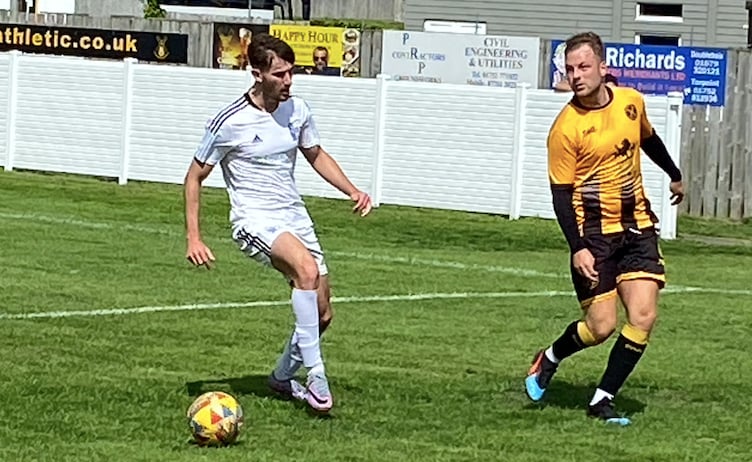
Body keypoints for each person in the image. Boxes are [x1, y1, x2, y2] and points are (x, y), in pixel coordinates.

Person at [183, 33, 373, 414]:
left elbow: (315, 154)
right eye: (280, 75)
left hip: (294, 216)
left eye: (291, 74)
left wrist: (352, 190)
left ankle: (283, 376)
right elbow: (194, 177)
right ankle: (316, 376)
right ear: (256, 73)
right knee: (304, 270)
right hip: (254, 220)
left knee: (322, 315)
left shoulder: (297, 110)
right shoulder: (229, 121)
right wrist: (194, 238)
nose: (288, 82)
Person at [525, 31, 684, 425]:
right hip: (593, 236)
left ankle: (602, 399)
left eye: (583, 67)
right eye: (570, 69)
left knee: (643, 316)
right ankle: (549, 357)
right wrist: (577, 247)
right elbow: (561, 195)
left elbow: (648, 139)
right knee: (601, 327)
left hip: (638, 228)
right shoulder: (565, 128)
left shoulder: (631, 102)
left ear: (602, 67)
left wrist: (674, 174)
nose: (576, 76)